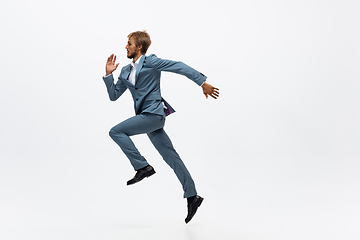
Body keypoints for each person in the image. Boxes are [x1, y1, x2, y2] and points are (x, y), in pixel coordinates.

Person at [102, 31, 219, 224]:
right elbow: (114, 96)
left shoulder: (152, 62)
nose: (126, 46)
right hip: (146, 118)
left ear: (139, 46)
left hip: (154, 114)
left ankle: (142, 166)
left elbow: (179, 66)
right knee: (171, 157)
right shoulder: (124, 71)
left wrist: (202, 83)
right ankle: (193, 196)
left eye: (129, 43)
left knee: (116, 131)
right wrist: (108, 75)